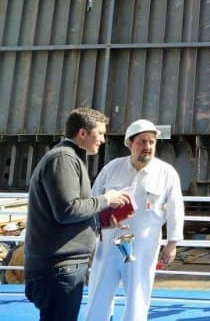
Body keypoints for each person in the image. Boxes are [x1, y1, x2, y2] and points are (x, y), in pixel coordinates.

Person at [24, 108, 130, 321]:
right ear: (82, 133)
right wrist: (106, 199)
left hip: (62, 267)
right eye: (99, 133)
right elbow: (67, 210)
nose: (102, 139)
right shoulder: (63, 158)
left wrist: (99, 221)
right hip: (59, 269)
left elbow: (67, 212)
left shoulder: (67, 158)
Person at [86, 119, 184, 321]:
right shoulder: (111, 169)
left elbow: (176, 209)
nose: (147, 146)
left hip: (143, 245)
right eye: (141, 141)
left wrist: (172, 244)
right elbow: (92, 202)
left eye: (151, 142)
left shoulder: (166, 174)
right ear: (129, 143)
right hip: (109, 242)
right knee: (98, 294)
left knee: (138, 298)